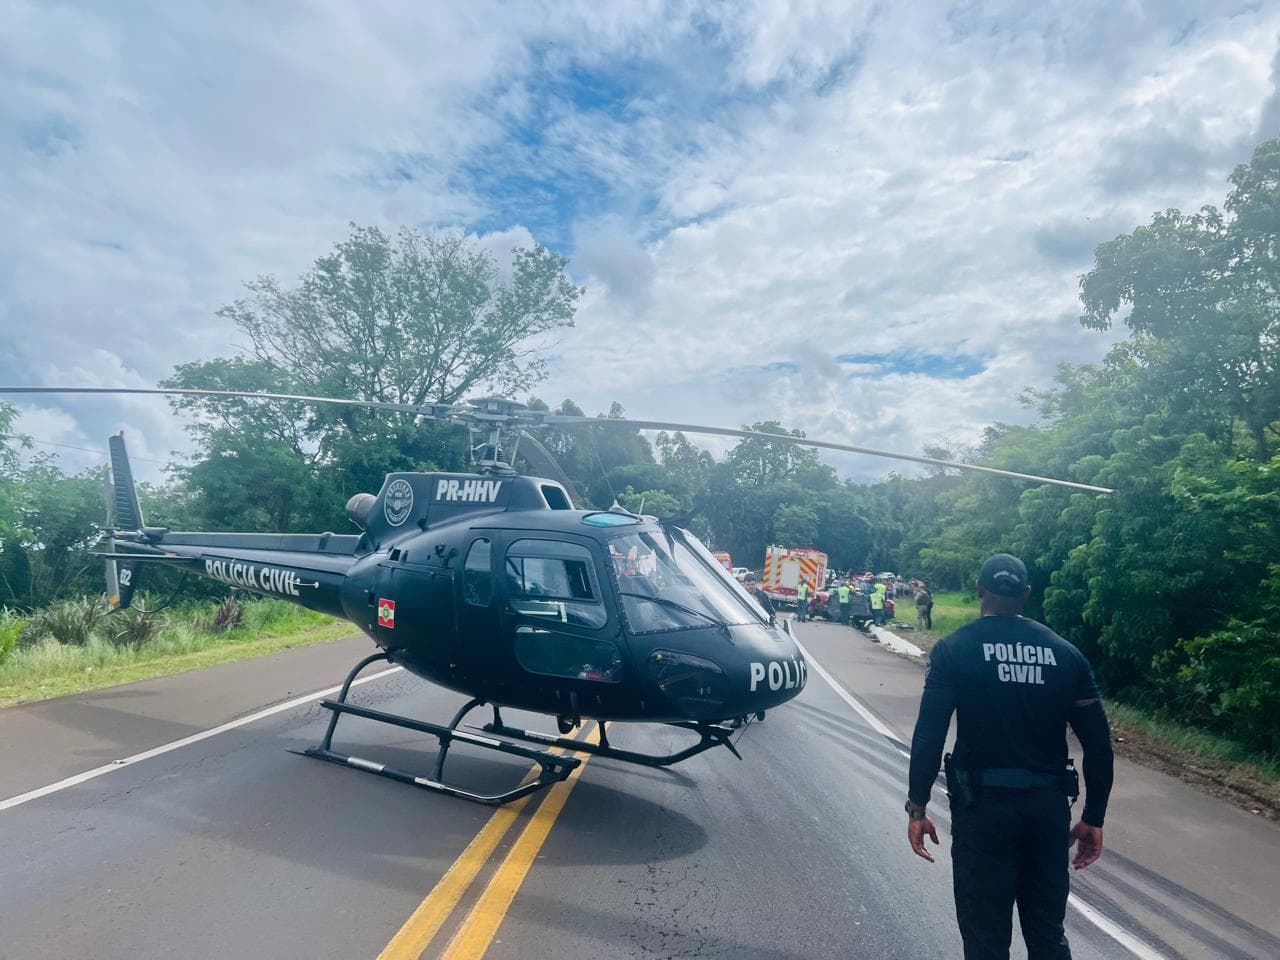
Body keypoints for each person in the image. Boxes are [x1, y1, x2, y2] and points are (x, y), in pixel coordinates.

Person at [904, 553, 1113, 960]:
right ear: (1026, 595)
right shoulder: (1067, 656)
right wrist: (1094, 818)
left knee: (986, 939)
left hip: (983, 814)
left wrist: (918, 807)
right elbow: (1099, 746)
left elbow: (928, 735)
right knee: (1048, 934)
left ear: (980, 590)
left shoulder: (954, 650)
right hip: (1047, 813)